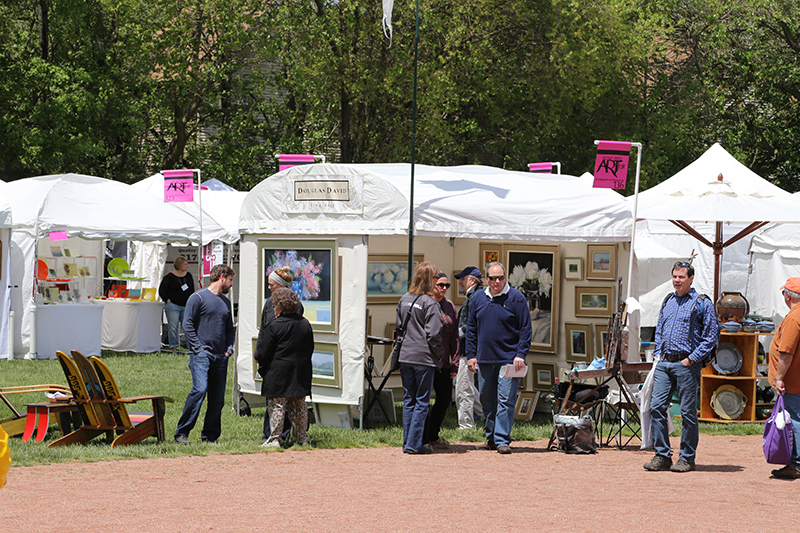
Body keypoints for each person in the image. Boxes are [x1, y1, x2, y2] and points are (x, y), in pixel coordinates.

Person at [645, 261, 720, 472]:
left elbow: (711, 336)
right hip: (664, 362)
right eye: (674, 277)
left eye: (681, 277)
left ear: (691, 279)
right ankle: (662, 456)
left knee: (687, 412)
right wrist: (658, 352)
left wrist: (691, 359)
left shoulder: (701, 302)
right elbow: (659, 327)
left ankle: (687, 458)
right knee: (656, 407)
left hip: (687, 364)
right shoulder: (668, 300)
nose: (677, 280)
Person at [466, 262, 532, 454]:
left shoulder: (517, 298)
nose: (497, 282)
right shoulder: (478, 298)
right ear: (486, 279)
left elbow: (526, 329)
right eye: (493, 278)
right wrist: (471, 355)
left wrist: (520, 354)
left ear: (506, 278)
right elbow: (471, 329)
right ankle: (491, 438)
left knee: (505, 400)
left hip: (508, 359)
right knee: (487, 400)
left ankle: (502, 439)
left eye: (500, 277)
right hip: (484, 359)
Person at [174, 264, 236, 445]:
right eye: (231, 280)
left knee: (217, 399)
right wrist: (198, 348)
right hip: (201, 356)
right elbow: (188, 324)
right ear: (222, 277)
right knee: (199, 390)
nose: (232, 285)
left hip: (220, 357)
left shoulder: (225, 303)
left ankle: (210, 436)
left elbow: (229, 329)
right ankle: (182, 432)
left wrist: (228, 349)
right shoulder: (198, 298)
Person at [396, 262, 446, 455]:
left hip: (406, 355)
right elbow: (433, 334)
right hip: (424, 357)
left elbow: (399, 327)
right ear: (429, 280)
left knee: (409, 399)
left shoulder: (404, 299)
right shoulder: (430, 303)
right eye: (436, 277)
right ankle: (414, 444)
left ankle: (407, 442)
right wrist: (440, 355)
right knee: (422, 401)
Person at [256, 287, 314, 448]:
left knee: (277, 406)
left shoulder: (274, 326)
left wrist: (260, 361)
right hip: (300, 371)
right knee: (299, 405)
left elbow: (263, 352)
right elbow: (310, 348)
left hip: (278, 373)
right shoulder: (305, 324)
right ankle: (302, 438)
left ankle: (275, 439)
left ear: (280, 307)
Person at [768, 278, 800, 479]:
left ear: (788, 296)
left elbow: (786, 352)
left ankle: (796, 464)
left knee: (794, 419)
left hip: (793, 381)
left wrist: (779, 377)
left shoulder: (794, 317)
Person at [422, 272, 459, 449]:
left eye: (447, 286)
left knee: (444, 399)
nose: (444, 288)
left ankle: (433, 434)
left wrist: (455, 361)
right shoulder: (424, 304)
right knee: (422, 400)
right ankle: (422, 437)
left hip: (443, 362)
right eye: (440, 285)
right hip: (427, 361)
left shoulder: (450, 307)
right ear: (433, 285)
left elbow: (455, 338)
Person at [454, 266, 484, 429]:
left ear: (472, 280)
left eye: (462, 279)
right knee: (470, 387)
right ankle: (490, 415)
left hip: (468, 350)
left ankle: (466, 425)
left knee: (463, 388)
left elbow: (471, 325)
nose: (460, 283)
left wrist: (453, 335)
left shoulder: (474, 297)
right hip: (472, 349)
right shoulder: (477, 296)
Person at [159, 256, 196, 354]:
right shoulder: (169, 277)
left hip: (186, 306)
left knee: (187, 326)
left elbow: (192, 289)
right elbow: (162, 290)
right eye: (185, 264)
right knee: (173, 327)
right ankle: (174, 348)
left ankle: (191, 347)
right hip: (173, 306)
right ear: (179, 265)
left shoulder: (188, 276)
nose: (187, 266)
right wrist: (167, 300)